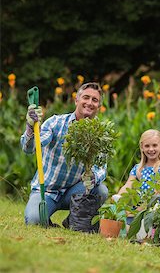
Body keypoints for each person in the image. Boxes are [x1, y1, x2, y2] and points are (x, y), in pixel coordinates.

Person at [21, 82, 109, 226]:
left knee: (101, 191)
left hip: (74, 192)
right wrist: (31, 127)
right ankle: (45, 220)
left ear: (99, 106)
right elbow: (30, 148)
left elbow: (101, 167)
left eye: (95, 100)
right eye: (86, 97)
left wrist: (93, 177)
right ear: (76, 100)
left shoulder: (99, 133)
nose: (89, 103)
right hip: (47, 191)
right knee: (33, 221)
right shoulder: (56, 123)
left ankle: (71, 221)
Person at [114, 129, 160, 223]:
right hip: (137, 209)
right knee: (125, 228)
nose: (151, 149)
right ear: (142, 147)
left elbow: (157, 194)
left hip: (156, 212)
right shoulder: (138, 169)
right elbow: (128, 186)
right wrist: (118, 198)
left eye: (154, 145)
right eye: (147, 146)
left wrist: (136, 211)